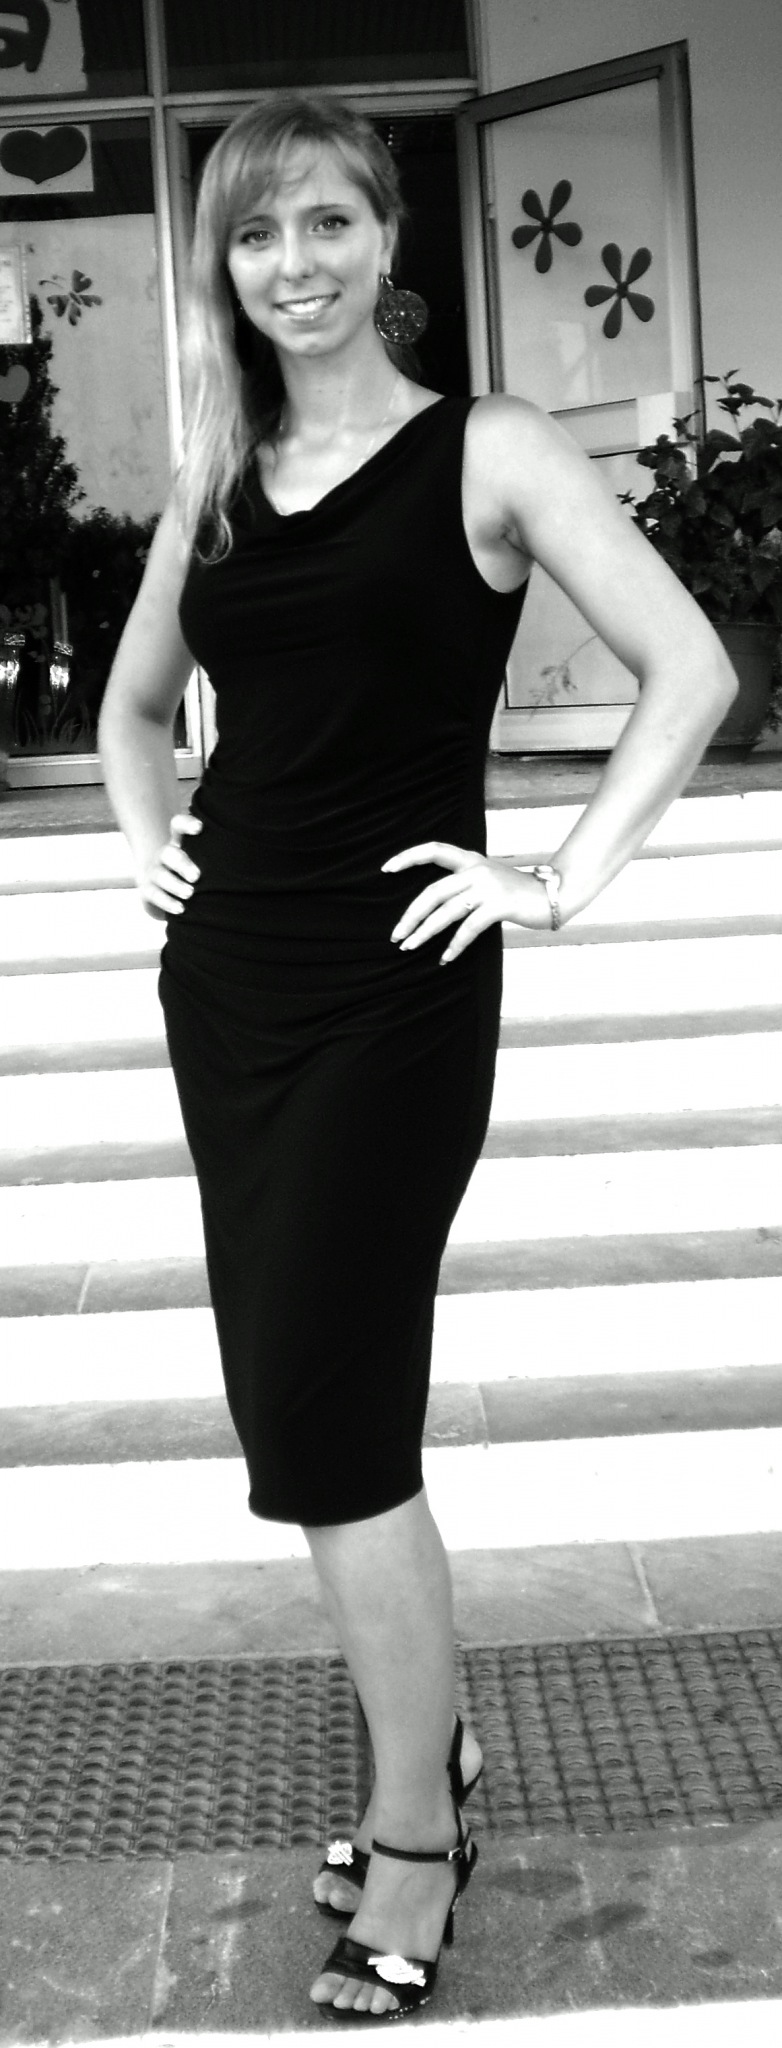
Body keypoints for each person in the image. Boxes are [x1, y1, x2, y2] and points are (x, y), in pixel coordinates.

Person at [98, 90, 736, 2023]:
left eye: (324, 223)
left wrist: (556, 877)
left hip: (393, 991)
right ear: (220, 266)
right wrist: (152, 842)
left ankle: (411, 1831)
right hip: (231, 987)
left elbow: (694, 668)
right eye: (253, 234)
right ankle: (429, 1747)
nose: (290, 265)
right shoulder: (216, 478)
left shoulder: (491, 449)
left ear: (387, 237)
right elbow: (133, 711)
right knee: (299, 1414)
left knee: (331, 1419)